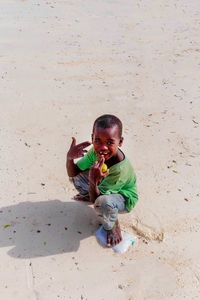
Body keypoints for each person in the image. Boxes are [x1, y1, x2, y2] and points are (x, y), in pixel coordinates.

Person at [66, 114, 138, 247]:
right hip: (102, 187)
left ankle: (113, 226)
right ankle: (91, 191)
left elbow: (97, 202)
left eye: (110, 142)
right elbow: (73, 173)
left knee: (103, 204)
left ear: (120, 142)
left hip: (124, 198)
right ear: (92, 137)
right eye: (98, 140)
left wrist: (93, 182)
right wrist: (69, 158)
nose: (103, 148)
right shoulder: (95, 151)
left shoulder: (120, 169)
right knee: (76, 178)